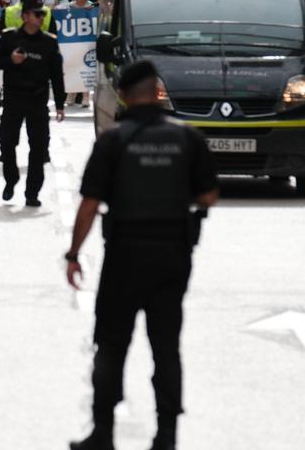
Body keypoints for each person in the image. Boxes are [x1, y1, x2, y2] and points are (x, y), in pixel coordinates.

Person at [65, 60, 218, 450]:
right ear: (156, 92)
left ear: (124, 95)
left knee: (112, 345)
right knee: (166, 346)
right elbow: (208, 196)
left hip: (125, 256)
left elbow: (89, 204)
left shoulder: (114, 141)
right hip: (172, 255)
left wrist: (73, 253)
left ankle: (102, 433)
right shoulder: (187, 138)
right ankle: (166, 435)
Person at [0, 0, 65, 206]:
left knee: (38, 148)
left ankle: (32, 193)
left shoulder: (49, 42)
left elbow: (57, 75)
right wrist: (10, 60)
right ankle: (11, 179)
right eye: (36, 14)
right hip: (13, 99)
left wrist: (60, 104)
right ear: (25, 16)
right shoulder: (9, 38)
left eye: (42, 15)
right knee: (7, 144)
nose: (41, 18)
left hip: (37, 101)